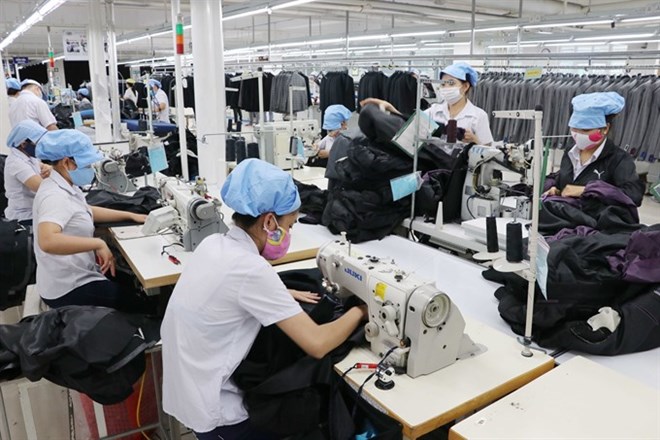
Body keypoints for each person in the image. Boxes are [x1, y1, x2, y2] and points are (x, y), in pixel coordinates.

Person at [161, 159, 368, 440]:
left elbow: (233, 290)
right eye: (290, 225)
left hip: (187, 387)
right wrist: (361, 310)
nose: (290, 235)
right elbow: (318, 344)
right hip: (220, 415)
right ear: (269, 221)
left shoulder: (213, 244)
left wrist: (279, 293)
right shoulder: (250, 270)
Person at [33, 129, 147, 309]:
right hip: (67, 287)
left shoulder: (64, 183)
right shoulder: (54, 196)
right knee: (140, 302)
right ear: (66, 162)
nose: (90, 169)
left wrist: (130, 214)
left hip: (75, 273)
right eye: (86, 165)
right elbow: (47, 240)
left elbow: (85, 210)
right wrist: (98, 244)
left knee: (128, 280)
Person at [543, 92, 644, 206]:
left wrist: (586, 190)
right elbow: (563, 181)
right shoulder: (571, 152)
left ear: (605, 128)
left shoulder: (619, 159)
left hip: (597, 221)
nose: (578, 134)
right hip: (566, 216)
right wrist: (555, 189)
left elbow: (634, 195)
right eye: (574, 129)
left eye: (585, 130)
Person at [361, 62, 494, 145]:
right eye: (443, 83)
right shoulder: (434, 111)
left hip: (463, 173)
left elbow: (489, 152)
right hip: (435, 170)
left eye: (451, 83)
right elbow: (410, 124)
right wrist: (390, 108)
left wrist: (475, 140)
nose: (446, 87)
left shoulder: (478, 115)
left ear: (465, 86)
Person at [4, 121, 51, 224]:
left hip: (36, 211)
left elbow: (41, 166)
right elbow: (41, 187)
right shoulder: (15, 162)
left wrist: (49, 168)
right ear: (23, 144)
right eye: (37, 143)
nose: (41, 145)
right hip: (24, 218)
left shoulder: (28, 156)